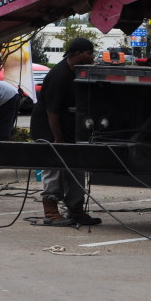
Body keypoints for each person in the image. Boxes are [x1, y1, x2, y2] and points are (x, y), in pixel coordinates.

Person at [29, 37, 102, 227]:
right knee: (54, 169)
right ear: (78, 54)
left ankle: (76, 211)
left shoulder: (76, 72)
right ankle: (51, 213)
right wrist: (57, 138)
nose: (92, 56)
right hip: (48, 128)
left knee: (76, 168)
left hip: (69, 128)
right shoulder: (59, 75)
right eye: (89, 53)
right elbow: (52, 111)